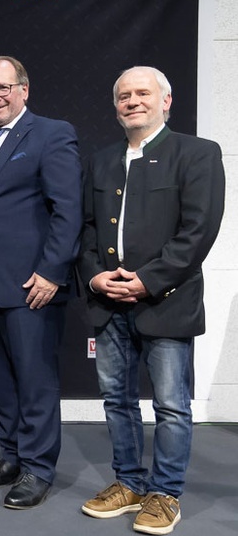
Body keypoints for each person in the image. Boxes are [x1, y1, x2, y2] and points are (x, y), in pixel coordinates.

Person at [78, 67, 224, 535]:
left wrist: (146, 281)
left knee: (171, 406)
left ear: (167, 101)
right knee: (117, 402)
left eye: (143, 93)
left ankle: (165, 494)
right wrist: (95, 276)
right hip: (108, 303)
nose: (132, 100)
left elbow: (197, 233)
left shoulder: (198, 153)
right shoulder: (101, 161)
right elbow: (85, 231)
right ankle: (128, 483)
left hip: (167, 302)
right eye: (124, 95)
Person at [0, 55, 82, 508]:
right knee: (2, 380)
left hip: (32, 284)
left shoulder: (51, 133)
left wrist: (51, 271)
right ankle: (11, 456)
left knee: (35, 381)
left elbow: (68, 210)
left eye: (3, 87)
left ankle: (38, 468)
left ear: (24, 90)